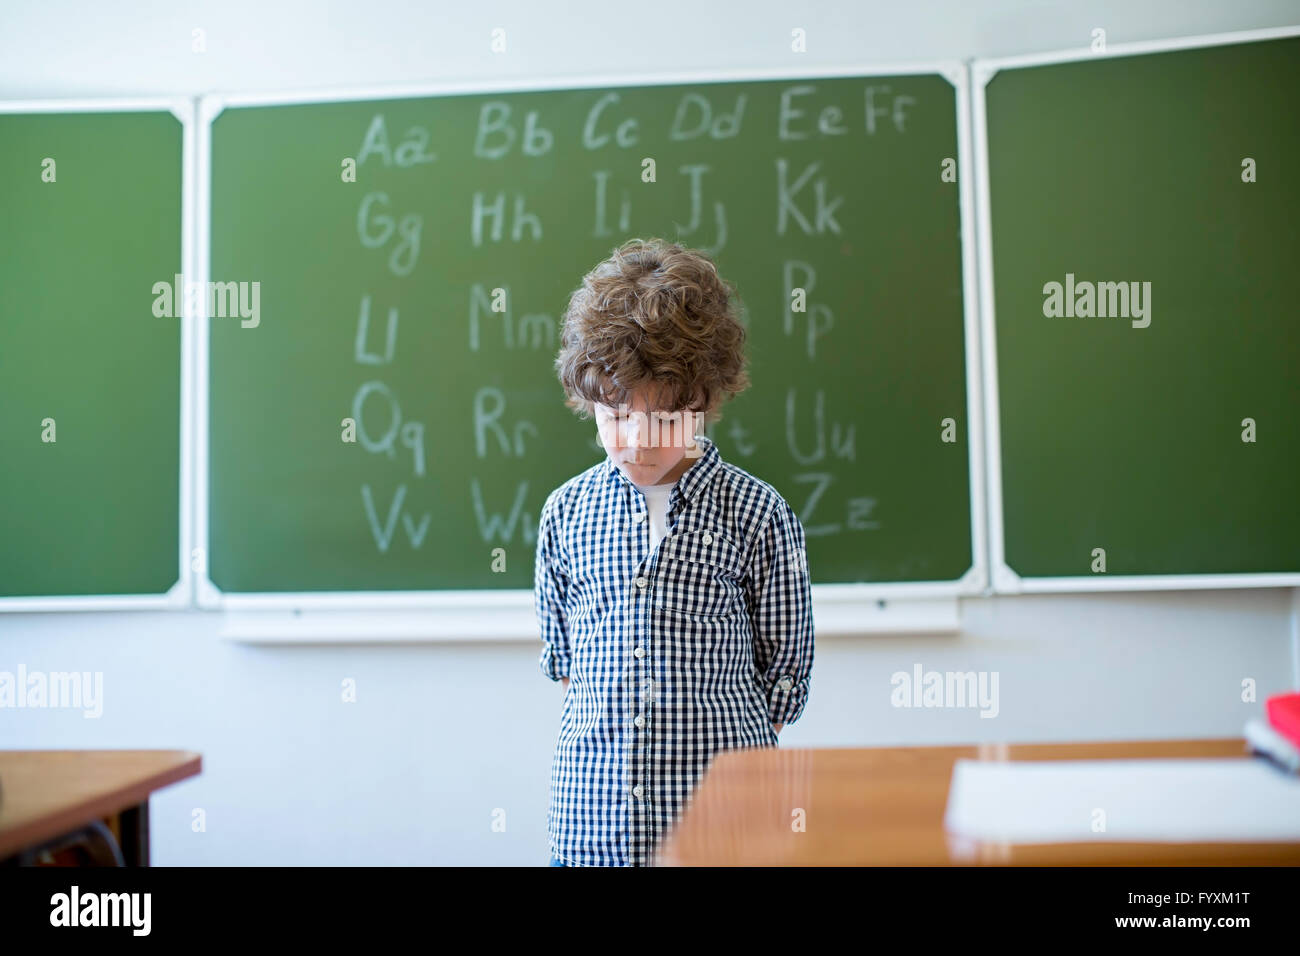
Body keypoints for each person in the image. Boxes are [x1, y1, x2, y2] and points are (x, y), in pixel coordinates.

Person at [535, 237, 814, 867]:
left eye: (663, 421)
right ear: (589, 402)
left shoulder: (758, 515)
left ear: (706, 401)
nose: (635, 442)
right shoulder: (565, 514)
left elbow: (785, 675)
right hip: (592, 824)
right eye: (614, 416)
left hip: (727, 828)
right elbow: (568, 666)